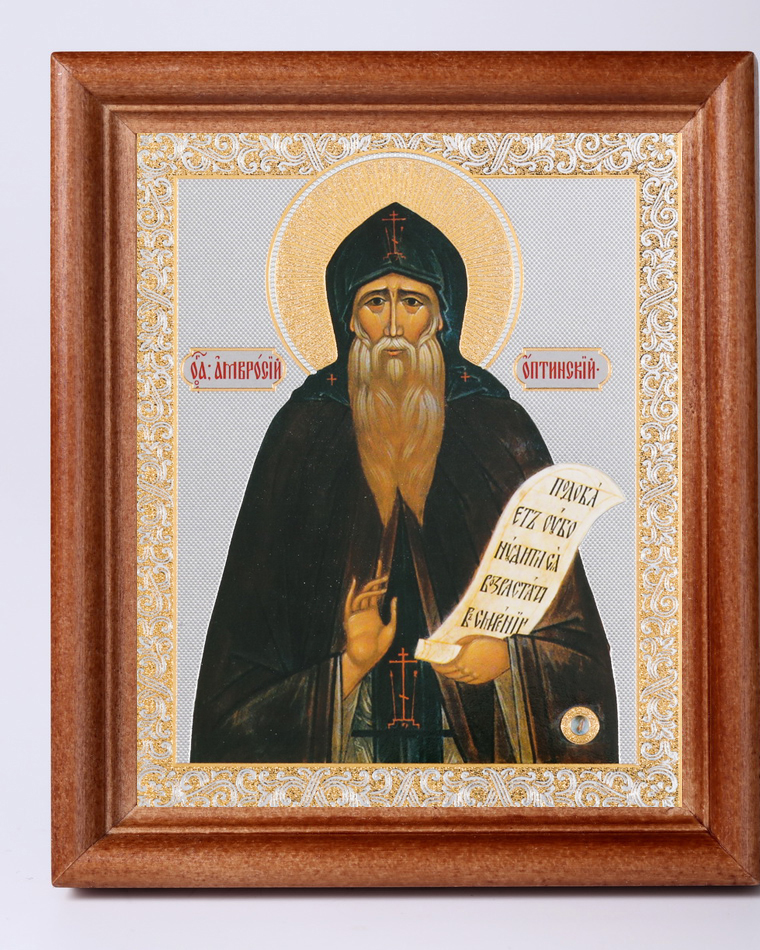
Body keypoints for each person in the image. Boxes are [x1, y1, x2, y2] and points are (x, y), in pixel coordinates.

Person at [190, 203, 618, 765]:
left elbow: (573, 637)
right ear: (349, 320)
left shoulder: (496, 427)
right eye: (375, 302)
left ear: (441, 318)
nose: (392, 326)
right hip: (345, 761)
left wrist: (508, 659)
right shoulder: (303, 432)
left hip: (473, 758)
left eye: (412, 302)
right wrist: (348, 667)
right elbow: (240, 666)